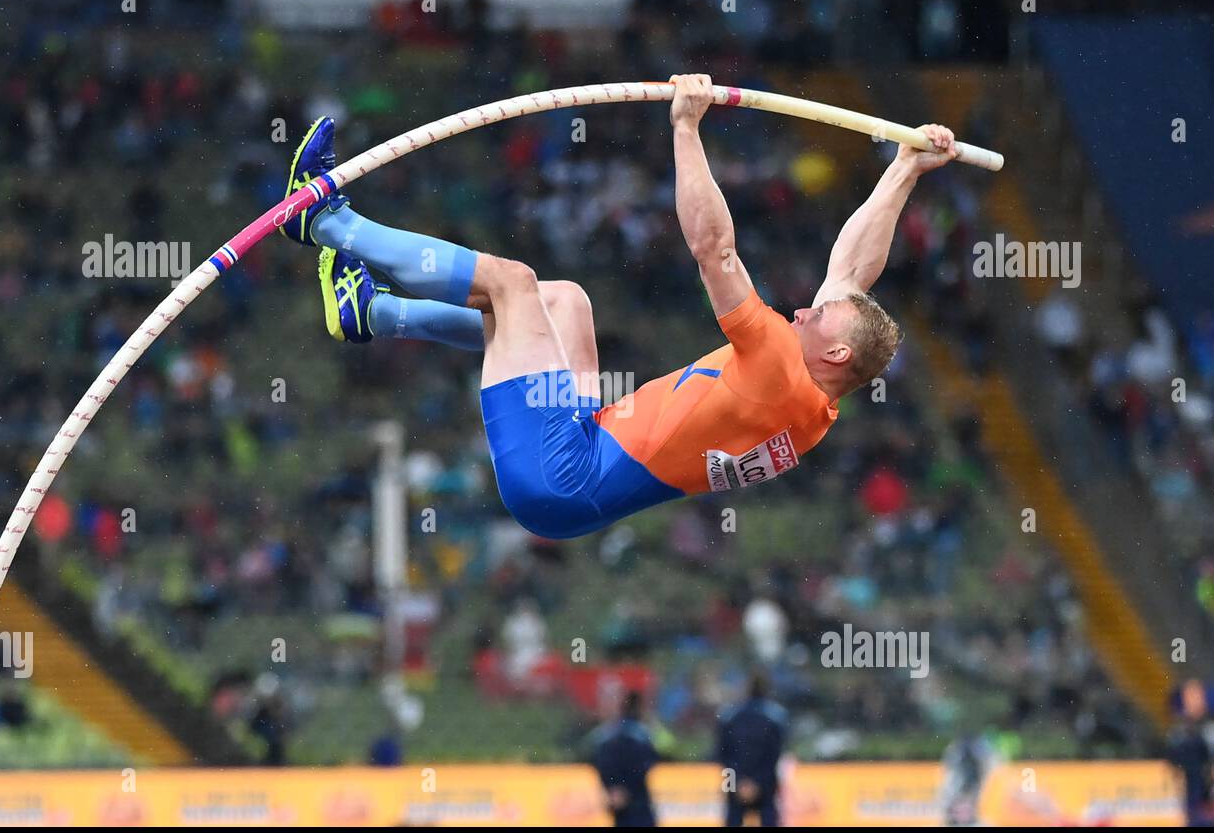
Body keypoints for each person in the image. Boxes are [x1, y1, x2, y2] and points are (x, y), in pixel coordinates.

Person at [279, 75, 959, 539]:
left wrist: (686, 126)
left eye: (818, 317)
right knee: (562, 304)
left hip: (560, 474)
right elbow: (851, 272)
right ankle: (374, 313)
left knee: (512, 284)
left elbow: (714, 250)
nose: (803, 311)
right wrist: (903, 169)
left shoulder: (780, 367)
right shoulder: (815, 407)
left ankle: (325, 221)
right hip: (584, 448)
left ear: (835, 352)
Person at [717, 673, 789, 826]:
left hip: (734, 782)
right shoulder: (776, 717)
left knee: (734, 819)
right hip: (765, 783)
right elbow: (774, 755)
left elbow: (723, 753)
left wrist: (738, 780)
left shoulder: (729, 717)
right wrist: (758, 781)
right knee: (768, 818)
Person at [589, 691, 660, 827]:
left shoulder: (605, 734)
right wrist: (625, 789)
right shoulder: (641, 733)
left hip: (626, 804)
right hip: (637, 802)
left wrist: (613, 787)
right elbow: (648, 761)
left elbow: (600, 763)